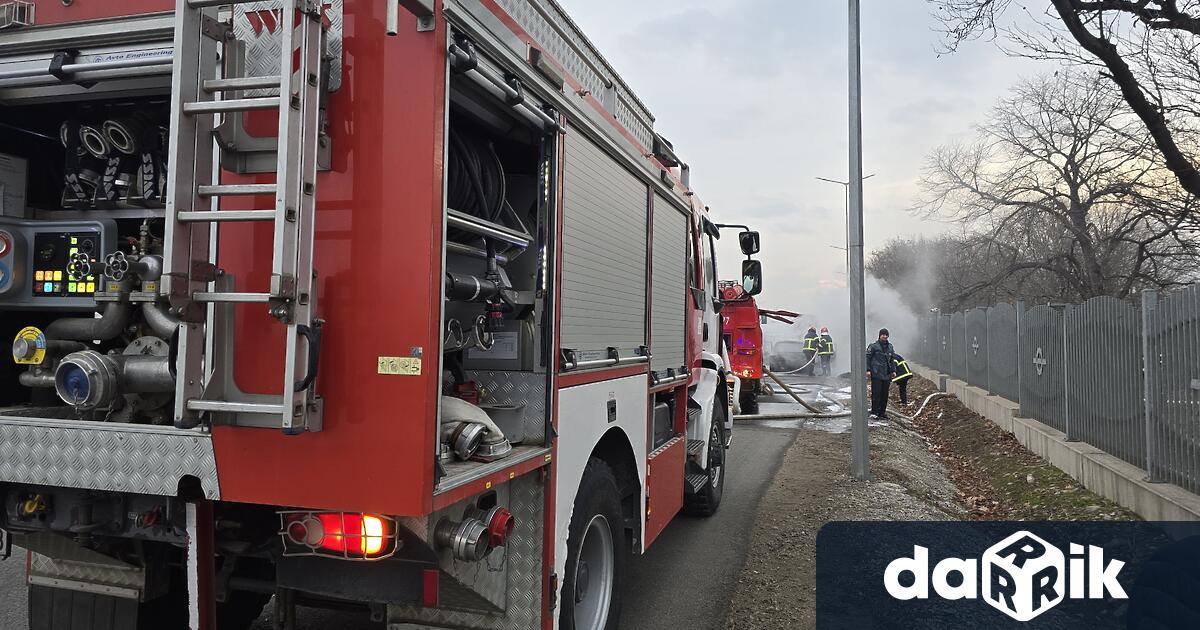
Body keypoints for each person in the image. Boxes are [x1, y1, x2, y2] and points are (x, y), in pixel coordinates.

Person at [865, 328, 896, 418]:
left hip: (886, 375)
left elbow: (892, 360)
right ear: (879, 336)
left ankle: (882, 412)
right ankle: (875, 412)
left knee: (885, 394)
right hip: (876, 374)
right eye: (883, 334)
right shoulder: (874, 346)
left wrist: (893, 371)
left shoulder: (890, 347)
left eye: (886, 335)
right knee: (876, 394)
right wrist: (868, 370)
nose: (884, 336)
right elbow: (867, 358)